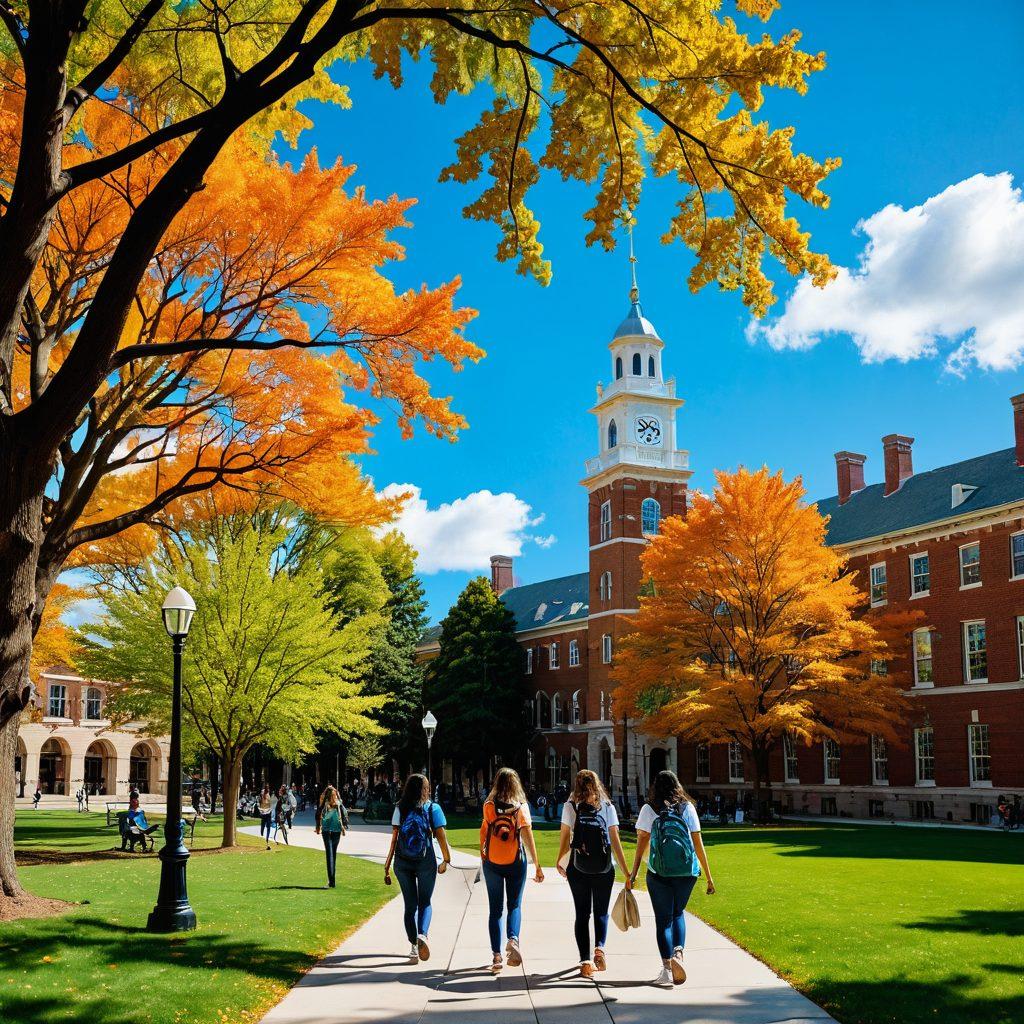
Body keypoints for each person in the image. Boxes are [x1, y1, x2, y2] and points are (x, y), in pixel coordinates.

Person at [629, 770, 716, 989]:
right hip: (687, 873)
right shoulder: (688, 808)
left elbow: (641, 844)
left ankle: (667, 969)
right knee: (678, 913)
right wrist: (708, 876)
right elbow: (698, 843)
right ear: (677, 785)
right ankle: (679, 952)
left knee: (663, 920)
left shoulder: (649, 809)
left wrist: (634, 872)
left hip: (659, 873)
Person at [556, 769, 631, 978]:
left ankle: (585, 961)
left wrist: (560, 860)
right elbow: (615, 841)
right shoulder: (607, 807)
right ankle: (599, 949)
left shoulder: (570, 806)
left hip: (577, 867)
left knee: (582, 913)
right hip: (605, 867)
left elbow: (565, 838)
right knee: (601, 911)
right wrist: (627, 872)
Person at [480, 767, 544, 974]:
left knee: (495, 910)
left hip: (492, 862)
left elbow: (484, 833)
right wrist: (537, 865)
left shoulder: (488, 807)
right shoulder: (520, 808)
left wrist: (484, 857)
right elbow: (528, 836)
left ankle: (496, 956)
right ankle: (513, 939)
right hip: (516, 861)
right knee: (514, 905)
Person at [384, 774, 452, 963]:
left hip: (402, 861)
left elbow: (394, 838)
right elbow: (441, 835)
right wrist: (446, 859)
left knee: (410, 905)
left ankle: (413, 947)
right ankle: (422, 934)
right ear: (424, 789)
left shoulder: (400, 807)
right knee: (425, 902)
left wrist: (387, 865)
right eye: (427, 787)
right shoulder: (433, 808)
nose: (429, 790)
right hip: (425, 860)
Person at [315, 784, 350, 888]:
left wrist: (327, 789)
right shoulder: (338, 803)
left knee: (329, 855)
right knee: (333, 854)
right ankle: (332, 881)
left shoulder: (324, 804)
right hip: (337, 831)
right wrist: (334, 790)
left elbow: (318, 814)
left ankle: (331, 881)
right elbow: (344, 812)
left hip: (326, 831)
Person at [257, 785, 273, 850]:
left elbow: (270, 804)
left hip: (268, 813)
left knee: (268, 827)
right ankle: (262, 834)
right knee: (263, 826)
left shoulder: (268, 795)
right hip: (264, 813)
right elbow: (260, 803)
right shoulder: (262, 794)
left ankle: (267, 838)